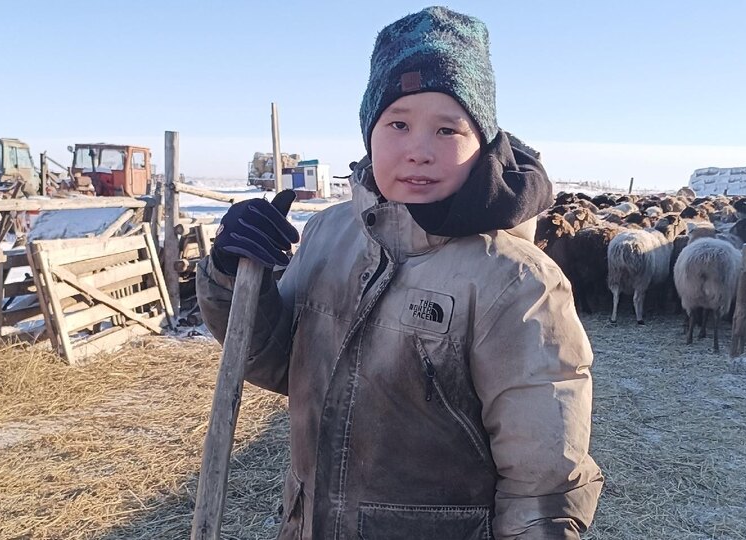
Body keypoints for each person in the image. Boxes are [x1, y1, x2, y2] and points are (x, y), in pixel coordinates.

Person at [197, 6, 603, 539]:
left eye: (447, 129)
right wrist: (232, 278)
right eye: (399, 124)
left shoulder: (515, 282)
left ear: (483, 142)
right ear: (369, 132)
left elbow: (542, 481)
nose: (418, 151)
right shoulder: (329, 235)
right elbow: (274, 362)